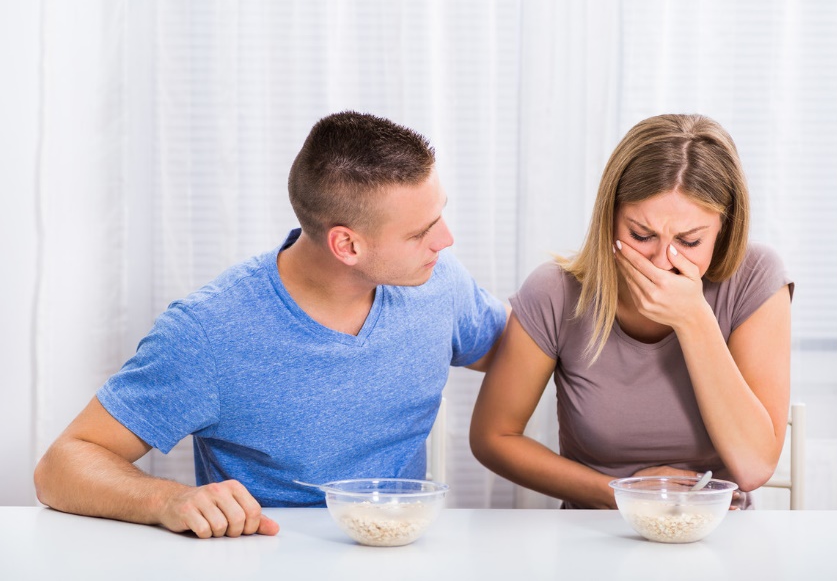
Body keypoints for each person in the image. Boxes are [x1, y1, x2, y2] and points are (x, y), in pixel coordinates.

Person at [34, 111, 508, 537]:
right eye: (421, 232)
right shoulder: (208, 332)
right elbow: (61, 466)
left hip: (397, 552)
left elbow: (519, 348)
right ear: (347, 246)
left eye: (439, 213)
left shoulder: (438, 282)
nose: (445, 239)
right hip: (266, 556)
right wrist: (167, 500)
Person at [469, 114, 792, 510]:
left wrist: (693, 319)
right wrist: (624, 493)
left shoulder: (755, 277)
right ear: (610, 218)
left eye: (689, 241)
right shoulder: (555, 293)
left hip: (716, 538)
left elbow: (755, 467)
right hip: (594, 534)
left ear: (723, 228)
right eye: (641, 235)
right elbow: (493, 438)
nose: (662, 260)